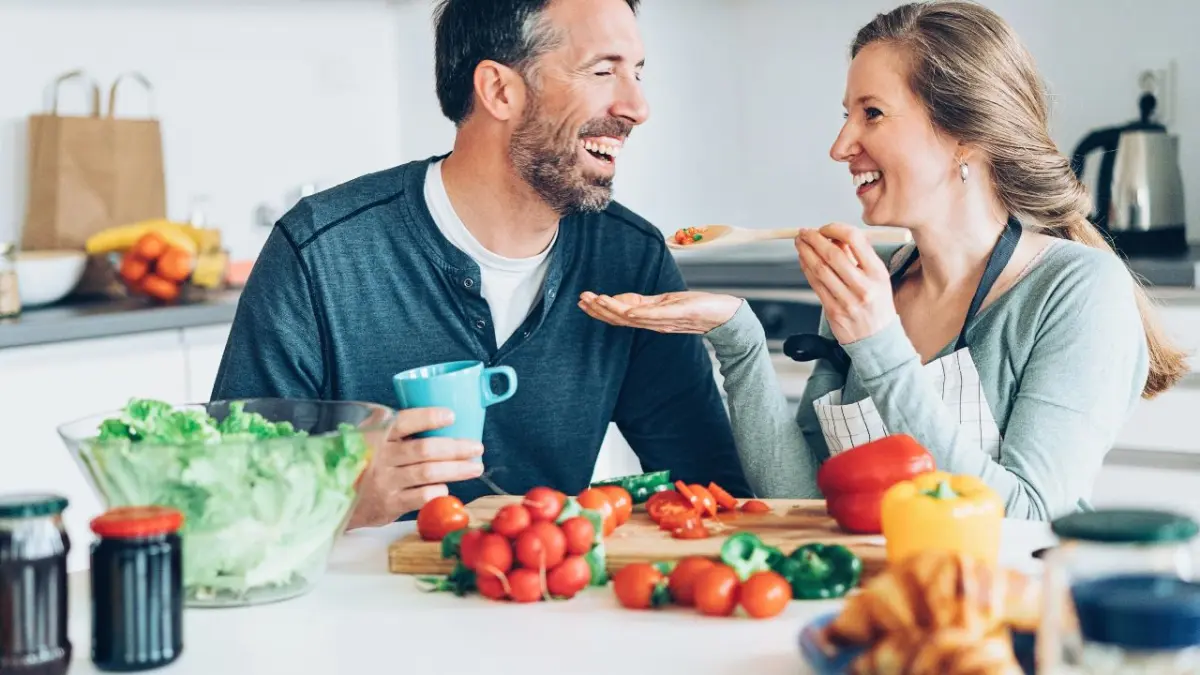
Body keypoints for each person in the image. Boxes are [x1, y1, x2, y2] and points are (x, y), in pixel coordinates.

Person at [579, 0, 1190, 521]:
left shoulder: (1075, 291)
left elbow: (1028, 519)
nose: (841, 145)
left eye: (871, 113)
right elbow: (805, 500)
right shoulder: (879, 284)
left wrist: (878, 344)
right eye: (846, 115)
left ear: (966, 134)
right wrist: (736, 336)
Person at [211, 0, 751, 529]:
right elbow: (224, 499)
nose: (637, 106)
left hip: (546, 599)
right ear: (498, 90)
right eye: (603, 70)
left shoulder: (629, 257)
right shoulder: (321, 253)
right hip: (355, 614)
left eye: (636, 72)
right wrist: (338, 500)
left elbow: (709, 489)